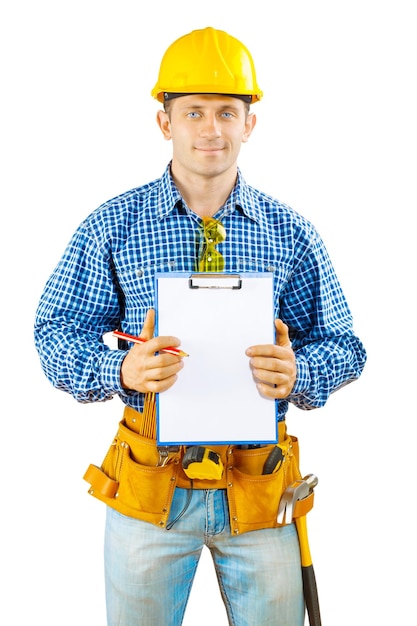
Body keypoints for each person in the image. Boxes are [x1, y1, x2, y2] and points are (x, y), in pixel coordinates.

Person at [34, 26, 366, 626]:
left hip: (262, 491)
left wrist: (299, 372)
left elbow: (345, 346)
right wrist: (120, 368)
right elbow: (55, 331)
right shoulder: (113, 226)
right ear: (165, 122)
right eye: (193, 112)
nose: (210, 128)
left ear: (250, 123)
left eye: (226, 112)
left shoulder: (292, 234)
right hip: (148, 489)